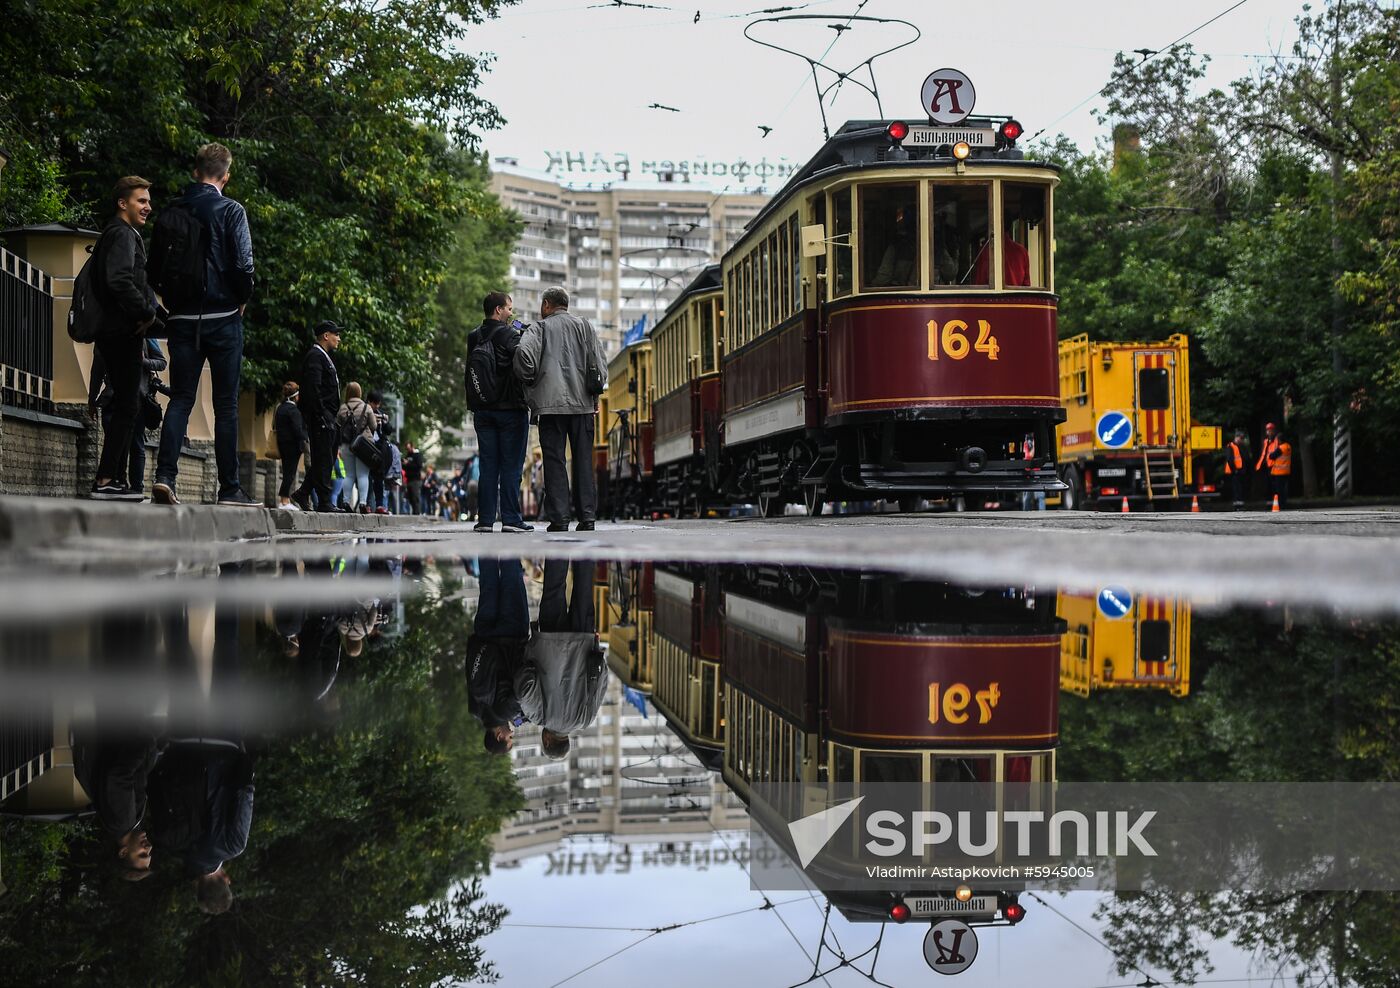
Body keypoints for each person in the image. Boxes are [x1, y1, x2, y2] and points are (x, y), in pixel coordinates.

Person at [150, 143, 257, 507]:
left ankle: (165, 476)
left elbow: (153, 269)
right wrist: (241, 298)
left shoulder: (171, 211)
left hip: (181, 319)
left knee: (180, 399)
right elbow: (243, 265)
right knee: (225, 405)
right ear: (225, 176)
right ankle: (229, 489)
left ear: (196, 172)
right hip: (224, 318)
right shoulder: (231, 210)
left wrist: (170, 301)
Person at [89, 176, 161, 501]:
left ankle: (112, 479)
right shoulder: (121, 234)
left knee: (125, 406)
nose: (148, 206)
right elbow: (118, 279)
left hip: (116, 329)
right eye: (141, 201)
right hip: (122, 330)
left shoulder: (118, 233)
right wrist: (146, 312)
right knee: (127, 406)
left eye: (147, 201)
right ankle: (107, 479)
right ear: (123, 203)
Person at [513, 287, 607, 532]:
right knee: (583, 461)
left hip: (550, 407)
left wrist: (531, 379)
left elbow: (523, 355)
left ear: (546, 305)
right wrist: (594, 395)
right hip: (583, 406)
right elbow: (599, 363)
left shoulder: (539, 328)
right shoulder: (584, 326)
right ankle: (587, 518)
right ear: (565, 305)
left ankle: (560, 519)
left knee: (554, 462)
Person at [514, 560, 607, 759]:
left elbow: (601, 680)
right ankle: (559, 531)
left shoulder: (586, 719)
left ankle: (586, 530)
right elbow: (524, 690)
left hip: (583, 640)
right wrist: (529, 662)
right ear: (547, 740)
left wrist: (596, 649)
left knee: (583, 588)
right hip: (549, 641)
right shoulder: (539, 716)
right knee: (554, 588)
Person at [468, 292, 534, 533]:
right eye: (508, 309)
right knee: (511, 466)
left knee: (488, 465)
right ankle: (511, 519)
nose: (511, 313)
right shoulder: (508, 334)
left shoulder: (474, 336)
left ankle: (485, 520)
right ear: (497, 310)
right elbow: (524, 360)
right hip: (510, 409)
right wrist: (524, 335)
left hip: (483, 411)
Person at [466, 557, 531, 754]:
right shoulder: (475, 709)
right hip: (484, 635)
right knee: (488, 582)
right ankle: (486, 532)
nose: (512, 732)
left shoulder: (506, 712)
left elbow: (525, 690)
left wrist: (523, 716)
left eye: (509, 737)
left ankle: (509, 529)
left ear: (499, 736)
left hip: (511, 636)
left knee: (512, 578)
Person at [90, 336, 167, 498]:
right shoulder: (106, 334)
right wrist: (92, 398)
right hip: (112, 398)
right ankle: (114, 481)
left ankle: (133, 486)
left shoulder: (145, 336)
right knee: (115, 439)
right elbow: (97, 368)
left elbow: (161, 362)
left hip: (138, 397)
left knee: (135, 443)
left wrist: (143, 361)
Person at [293, 321, 343, 512]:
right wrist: (322, 415)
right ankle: (324, 502)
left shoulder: (323, 357)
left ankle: (303, 492)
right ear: (325, 336)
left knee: (326, 459)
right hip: (322, 418)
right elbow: (313, 389)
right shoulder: (315, 356)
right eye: (336, 334)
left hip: (329, 417)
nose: (338, 338)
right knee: (323, 459)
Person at [336, 382, 378, 513]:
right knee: (363, 475)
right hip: (362, 446)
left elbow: (338, 425)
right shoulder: (366, 407)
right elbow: (374, 426)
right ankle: (363, 503)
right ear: (359, 392)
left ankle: (345, 502)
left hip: (347, 444)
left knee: (348, 475)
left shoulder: (343, 408)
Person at [273, 381, 310, 509]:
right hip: (293, 446)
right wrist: (305, 439)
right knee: (290, 473)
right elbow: (297, 429)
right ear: (296, 396)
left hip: (282, 444)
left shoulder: (280, 408)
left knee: (287, 471)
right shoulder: (293, 410)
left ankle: (284, 500)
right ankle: (284, 501)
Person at [971, 217, 1031, 287]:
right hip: (1017, 297)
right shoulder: (1022, 251)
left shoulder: (986, 250)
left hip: (992, 298)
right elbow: (1026, 284)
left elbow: (980, 283)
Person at [1255, 421, 1293, 510]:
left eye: (1270, 430)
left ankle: (1278, 504)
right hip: (1271, 466)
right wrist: (1260, 464)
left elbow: (1273, 454)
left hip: (1275, 468)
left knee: (1277, 488)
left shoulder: (1278, 442)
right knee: (1272, 487)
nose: (1269, 432)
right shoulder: (1266, 441)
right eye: (1268, 430)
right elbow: (1265, 453)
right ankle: (1273, 504)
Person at [366, 390, 389, 514]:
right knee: (367, 477)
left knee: (379, 477)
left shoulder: (380, 414)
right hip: (367, 446)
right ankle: (368, 504)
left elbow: (388, 430)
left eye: (378, 404)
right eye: (375, 403)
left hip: (379, 448)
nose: (377, 406)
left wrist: (384, 422)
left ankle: (380, 505)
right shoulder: (364, 411)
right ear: (369, 401)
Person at [1224, 428, 1250, 510]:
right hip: (1235, 471)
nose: (1241, 440)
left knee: (1240, 488)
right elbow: (1230, 459)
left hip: (1241, 471)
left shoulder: (1241, 446)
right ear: (1236, 437)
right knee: (1236, 488)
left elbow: (1245, 458)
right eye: (1241, 438)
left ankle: (1240, 504)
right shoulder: (1231, 446)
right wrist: (1234, 469)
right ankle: (1237, 505)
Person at [383, 433, 403, 516]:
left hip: (389, 473)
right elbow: (398, 463)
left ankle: (385, 508)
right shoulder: (397, 450)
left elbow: (392, 462)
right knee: (389, 492)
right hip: (394, 473)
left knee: (385, 492)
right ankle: (388, 509)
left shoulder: (391, 448)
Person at [402, 441, 424, 514]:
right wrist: (404, 464)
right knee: (411, 498)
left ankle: (417, 513)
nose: (408, 450)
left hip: (416, 479)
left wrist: (408, 464)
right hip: (409, 479)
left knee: (415, 497)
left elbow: (418, 466)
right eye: (407, 449)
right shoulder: (408, 455)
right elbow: (404, 467)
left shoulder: (418, 455)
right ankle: (414, 512)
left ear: (412, 446)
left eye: (408, 448)